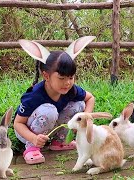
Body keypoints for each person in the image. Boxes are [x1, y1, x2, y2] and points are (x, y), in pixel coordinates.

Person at [13, 36, 96, 164]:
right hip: (27, 132)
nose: (67, 83)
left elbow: (90, 98)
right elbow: (18, 123)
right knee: (49, 111)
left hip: (49, 129)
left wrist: (85, 119)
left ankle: (60, 141)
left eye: (71, 77)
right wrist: (33, 138)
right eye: (61, 78)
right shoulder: (35, 95)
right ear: (46, 75)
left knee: (78, 105)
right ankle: (31, 148)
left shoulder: (71, 89)